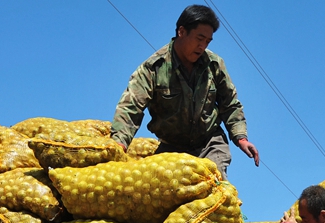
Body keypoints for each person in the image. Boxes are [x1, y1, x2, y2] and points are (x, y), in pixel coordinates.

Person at [110, 4, 259, 179]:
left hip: (209, 143)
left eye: (207, 41)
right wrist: (119, 144)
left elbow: (230, 104)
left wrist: (240, 138)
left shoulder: (214, 65)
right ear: (181, 31)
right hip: (172, 148)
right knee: (160, 193)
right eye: (199, 38)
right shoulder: (153, 69)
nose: (202, 46)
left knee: (213, 182)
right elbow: (130, 107)